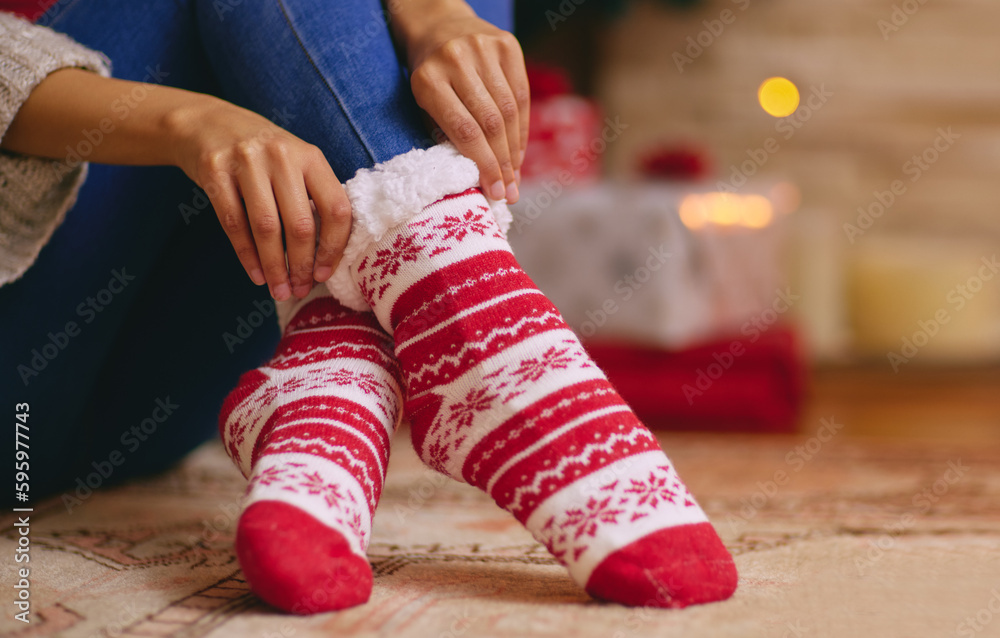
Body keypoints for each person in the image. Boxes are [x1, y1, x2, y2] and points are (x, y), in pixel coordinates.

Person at [1, 0, 737, 614]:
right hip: (23, 377)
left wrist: (437, 14)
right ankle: (479, 347)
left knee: (460, 26)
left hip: (142, 408)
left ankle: (334, 370)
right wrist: (197, 125)